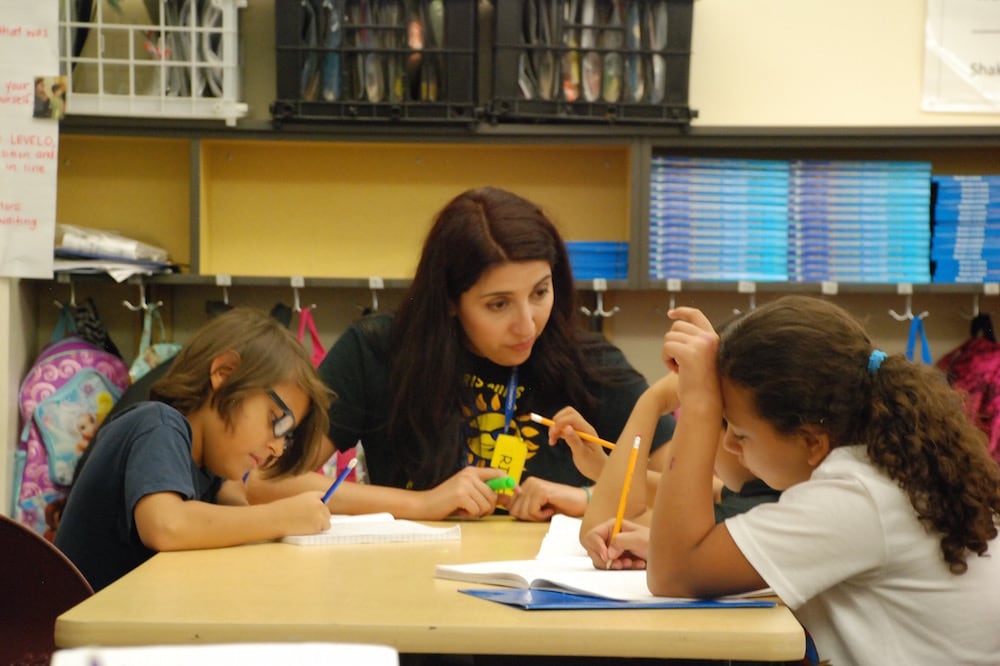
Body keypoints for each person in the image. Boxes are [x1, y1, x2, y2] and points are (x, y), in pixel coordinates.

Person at [247, 186, 675, 521]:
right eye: (498, 304)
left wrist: (589, 496)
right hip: (408, 582)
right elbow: (263, 482)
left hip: (548, 593)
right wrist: (420, 504)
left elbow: (692, 492)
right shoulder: (378, 351)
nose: (526, 325)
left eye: (540, 292)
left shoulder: (590, 364)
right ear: (450, 300)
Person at [642, 295, 1000, 664]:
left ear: (812, 442)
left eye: (741, 433)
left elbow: (673, 574)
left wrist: (700, 404)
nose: (730, 444)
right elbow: (691, 553)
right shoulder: (882, 470)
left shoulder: (856, 496)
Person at [54, 307, 334, 591]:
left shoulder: (208, 468)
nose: (277, 448)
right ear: (225, 373)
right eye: (276, 420)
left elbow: (232, 503)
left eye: (287, 437)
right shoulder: (158, 426)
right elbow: (166, 525)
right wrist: (281, 517)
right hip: (79, 618)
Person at [579, 360, 779, 571]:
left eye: (736, 431)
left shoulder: (756, 509)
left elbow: (608, 531)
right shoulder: (762, 490)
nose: (729, 442)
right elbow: (708, 492)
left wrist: (652, 402)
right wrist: (605, 470)